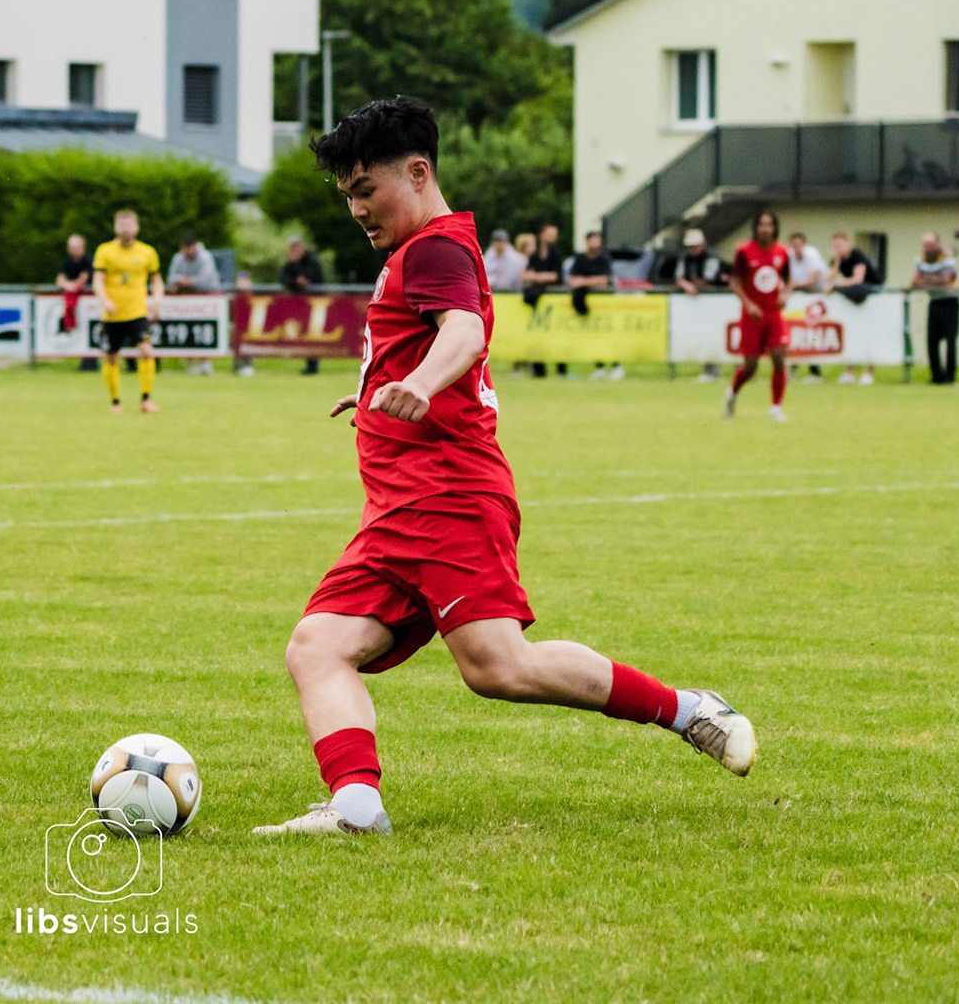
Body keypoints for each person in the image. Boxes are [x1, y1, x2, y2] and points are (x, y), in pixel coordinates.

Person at [253, 96, 755, 839]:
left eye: (366, 190)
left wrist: (418, 385)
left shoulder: (433, 249)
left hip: (447, 499)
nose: (356, 209)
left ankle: (689, 710)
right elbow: (439, 336)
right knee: (318, 645)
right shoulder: (423, 251)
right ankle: (356, 805)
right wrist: (374, 386)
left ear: (417, 173)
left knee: (499, 669)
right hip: (402, 509)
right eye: (348, 196)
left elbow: (463, 330)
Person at [722, 210, 791, 422]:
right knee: (750, 368)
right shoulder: (745, 252)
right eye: (761, 224)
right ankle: (732, 393)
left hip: (773, 314)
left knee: (779, 359)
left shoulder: (782, 253)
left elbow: (788, 280)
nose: (765, 228)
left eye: (769, 224)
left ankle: (776, 408)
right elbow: (735, 282)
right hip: (752, 316)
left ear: (775, 228)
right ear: (756, 228)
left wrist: (785, 294)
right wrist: (748, 304)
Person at [93, 210, 163, 413]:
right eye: (121, 225)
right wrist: (104, 300)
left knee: (146, 351)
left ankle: (145, 399)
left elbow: (156, 280)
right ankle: (115, 402)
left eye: (129, 225)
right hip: (112, 315)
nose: (125, 229)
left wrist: (157, 301)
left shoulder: (147, 252)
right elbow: (97, 280)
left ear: (137, 227)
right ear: (115, 227)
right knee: (111, 357)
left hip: (136, 313)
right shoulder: (105, 251)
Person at [669, 228, 728, 381]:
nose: (692, 249)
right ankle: (708, 370)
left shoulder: (711, 257)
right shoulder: (684, 257)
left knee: (715, 334)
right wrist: (687, 286)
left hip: (714, 302)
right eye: (690, 246)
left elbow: (708, 278)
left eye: (695, 246)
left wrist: (694, 286)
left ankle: (716, 370)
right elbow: (679, 277)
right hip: (695, 303)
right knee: (698, 334)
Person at [567, 230, 621, 380]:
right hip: (588, 304)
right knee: (594, 336)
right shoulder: (581, 259)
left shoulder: (605, 259)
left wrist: (583, 282)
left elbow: (604, 280)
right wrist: (590, 281)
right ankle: (599, 366)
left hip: (605, 304)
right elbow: (572, 280)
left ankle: (616, 365)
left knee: (609, 336)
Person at [167, 234, 221, 375]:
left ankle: (205, 363)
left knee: (205, 328)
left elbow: (204, 281)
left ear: (194, 247)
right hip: (187, 299)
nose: (186, 252)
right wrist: (183, 281)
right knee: (188, 327)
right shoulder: (178, 258)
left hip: (206, 297)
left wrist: (184, 281)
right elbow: (171, 278)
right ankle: (190, 363)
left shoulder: (205, 257)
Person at [911, 232, 959, 385]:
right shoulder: (920, 259)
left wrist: (925, 280)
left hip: (950, 301)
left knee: (951, 341)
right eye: (925, 244)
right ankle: (936, 376)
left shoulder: (947, 258)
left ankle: (950, 376)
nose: (928, 248)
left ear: (937, 243)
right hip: (934, 301)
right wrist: (934, 281)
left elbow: (946, 281)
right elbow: (914, 282)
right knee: (932, 340)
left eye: (931, 244)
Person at [828, 233, 877, 384]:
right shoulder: (840, 260)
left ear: (848, 244)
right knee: (850, 334)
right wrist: (836, 261)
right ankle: (849, 372)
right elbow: (829, 280)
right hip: (854, 301)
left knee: (870, 335)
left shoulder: (857, 255)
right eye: (834, 246)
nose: (837, 249)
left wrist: (837, 284)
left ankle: (869, 373)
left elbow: (858, 279)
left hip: (872, 297)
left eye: (840, 245)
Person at [521, 224, 566, 378]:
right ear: (542, 235)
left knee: (557, 336)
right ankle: (539, 370)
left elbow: (556, 277)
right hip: (538, 304)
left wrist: (536, 277)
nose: (553, 237)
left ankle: (561, 370)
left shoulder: (556, 255)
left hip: (554, 303)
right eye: (550, 233)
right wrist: (544, 277)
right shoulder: (534, 256)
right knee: (537, 335)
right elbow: (525, 275)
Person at [786, 232, 828, 382]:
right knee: (795, 336)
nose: (796, 248)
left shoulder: (812, 257)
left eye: (799, 244)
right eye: (794, 244)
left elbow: (813, 283)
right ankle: (791, 370)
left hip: (815, 301)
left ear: (804, 244)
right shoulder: (789, 257)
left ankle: (815, 373)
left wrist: (794, 286)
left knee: (813, 336)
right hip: (798, 302)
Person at [281, 238, 326, 374]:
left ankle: (313, 367)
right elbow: (284, 279)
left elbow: (316, 277)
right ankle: (309, 366)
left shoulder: (312, 260)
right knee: (305, 335)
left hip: (316, 305)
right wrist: (296, 280)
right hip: (300, 305)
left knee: (313, 335)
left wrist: (303, 280)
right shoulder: (291, 263)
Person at [55, 233, 90, 334]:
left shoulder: (87, 261)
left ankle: (70, 324)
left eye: (77, 247)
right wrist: (69, 286)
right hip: (72, 292)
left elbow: (84, 278)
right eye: (72, 247)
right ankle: (69, 325)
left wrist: (71, 285)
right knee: (69, 303)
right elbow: (59, 280)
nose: (75, 250)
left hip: (87, 297)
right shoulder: (67, 262)